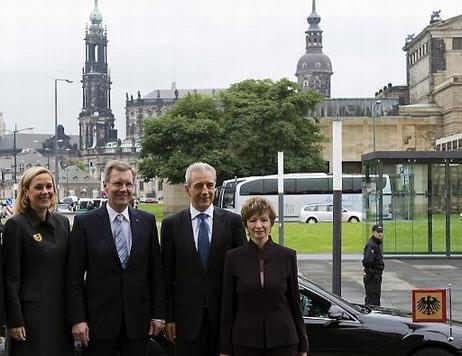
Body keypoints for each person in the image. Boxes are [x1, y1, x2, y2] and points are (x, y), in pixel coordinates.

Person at [67, 160, 166, 356]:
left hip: (138, 322)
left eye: (128, 184)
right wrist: (78, 319)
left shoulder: (146, 222)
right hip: (99, 323)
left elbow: (156, 273)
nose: (124, 189)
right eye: (118, 183)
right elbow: (74, 278)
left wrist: (158, 315)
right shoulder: (85, 223)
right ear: (105, 185)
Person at [161, 162, 246, 356]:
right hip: (186, 322)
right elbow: (165, 276)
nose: (205, 191)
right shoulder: (171, 226)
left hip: (224, 320)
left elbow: (242, 272)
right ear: (187, 189)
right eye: (198, 186)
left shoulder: (233, 222)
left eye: (209, 185)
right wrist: (169, 318)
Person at [220, 197, 308, 356]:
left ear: (271, 223)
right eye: (253, 220)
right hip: (245, 342)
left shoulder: (287, 256)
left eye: (264, 220)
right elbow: (228, 306)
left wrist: (303, 346)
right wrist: (225, 349)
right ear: (246, 224)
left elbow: (295, 303)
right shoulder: (233, 258)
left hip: (283, 341)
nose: (258, 226)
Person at [1, 166, 74, 356]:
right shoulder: (16, 225)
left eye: (49, 186)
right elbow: (10, 278)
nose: (45, 192)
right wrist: (14, 320)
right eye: (38, 187)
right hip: (30, 319)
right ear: (26, 192)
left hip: (60, 316)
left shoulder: (62, 223)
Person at [362, 224, 385, 306]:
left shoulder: (375, 244)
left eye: (381, 232)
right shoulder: (372, 245)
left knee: (374, 299)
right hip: (372, 277)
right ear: (373, 233)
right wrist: (371, 271)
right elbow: (367, 261)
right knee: (372, 302)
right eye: (378, 232)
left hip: (375, 277)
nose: (380, 234)